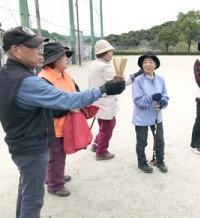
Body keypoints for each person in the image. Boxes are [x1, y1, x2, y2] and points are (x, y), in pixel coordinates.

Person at [0, 26, 125, 218]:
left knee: (27, 190)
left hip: (21, 142)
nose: (40, 51)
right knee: (33, 199)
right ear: (16, 50)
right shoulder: (28, 81)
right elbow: (68, 100)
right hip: (32, 146)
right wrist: (104, 89)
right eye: (34, 47)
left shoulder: (7, 74)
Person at [88, 40, 144, 160]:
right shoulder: (104, 67)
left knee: (104, 126)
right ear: (103, 52)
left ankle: (96, 144)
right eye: (110, 51)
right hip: (105, 102)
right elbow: (120, 84)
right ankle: (101, 152)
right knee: (107, 127)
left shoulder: (95, 64)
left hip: (97, 101)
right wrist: (136, 75)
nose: (112, 53)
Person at [37, 42, 78, 197]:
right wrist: (69, 107)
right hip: (52, 127)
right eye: (63, 56)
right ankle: (55, 185)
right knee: (56, 156)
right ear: (54, 60)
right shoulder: (44, 79)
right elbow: (49, 108)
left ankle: (54, 176)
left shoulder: (64, 74)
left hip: (63, 125)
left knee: (58, 155)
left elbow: (77, 93)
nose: (67, 59)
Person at [131, 51, 169, 173]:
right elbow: (138, 100)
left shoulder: (161, 79)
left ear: (156, 64)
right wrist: (152, 97)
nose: (148, 64)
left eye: (151, 62)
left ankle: (160, 160)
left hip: (157, 116)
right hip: (141, 117)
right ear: (142, 65)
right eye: (145, 62)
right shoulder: (138, 80)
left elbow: (165, 95)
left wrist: (163, 102)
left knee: (159, 140)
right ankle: (141, 162)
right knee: (142, 141)